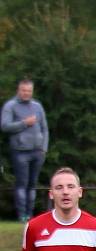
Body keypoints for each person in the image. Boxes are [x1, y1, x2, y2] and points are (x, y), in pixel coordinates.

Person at [2, 79, 49, 222]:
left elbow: (44, 128)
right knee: (22, 183)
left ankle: (31, 216)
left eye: (29, 91)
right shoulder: (11, 106)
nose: (26, 93)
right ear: (19, 90)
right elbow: (4, 126)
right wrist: (24, 123)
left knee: (32, 184)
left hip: (37, 151)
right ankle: (23, 216)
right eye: (24, 90)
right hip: (20, 151)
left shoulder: (37, 106)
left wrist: (44, 148)